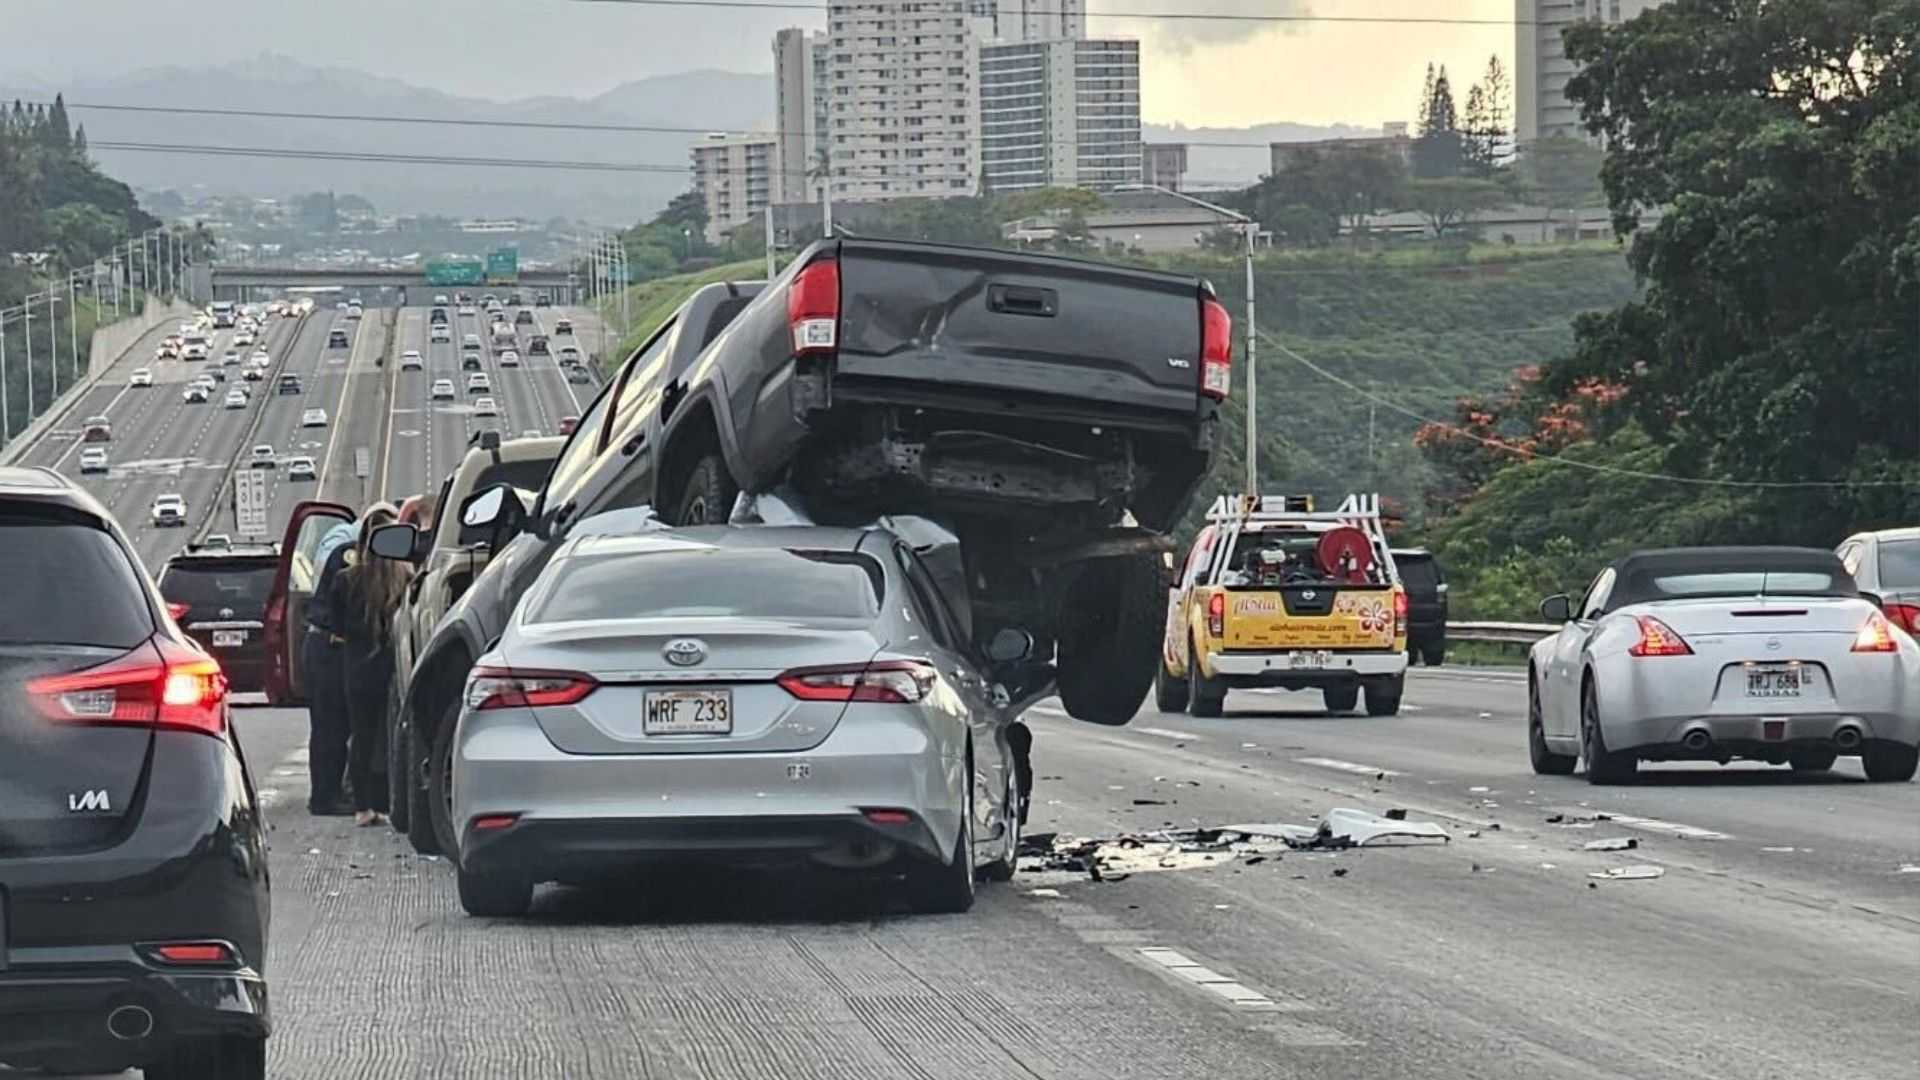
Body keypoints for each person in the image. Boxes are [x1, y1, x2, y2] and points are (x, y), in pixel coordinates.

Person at [331, 503, 407, 827]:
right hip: (394, 668)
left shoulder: (345, 580)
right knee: (393, 736)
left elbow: (336, 630)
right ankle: (391, 802)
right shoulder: (405, 579)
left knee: (361, 737)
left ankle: (363, 807)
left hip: (357, 669)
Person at [303, 519, 359, 816]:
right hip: (329, 647)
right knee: (331, 726)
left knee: (329, 726)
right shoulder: (350, 553)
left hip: (321, 645)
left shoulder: (343, 548)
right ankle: (325, 798)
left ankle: (330, 793)